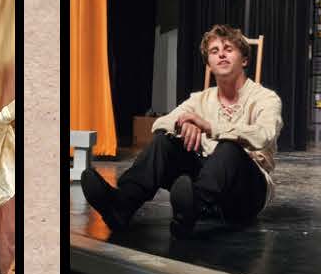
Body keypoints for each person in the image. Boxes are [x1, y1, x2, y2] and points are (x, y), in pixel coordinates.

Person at [80, 23, 282, 246]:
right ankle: (122, 206)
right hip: (205, 186)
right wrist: (183, 124)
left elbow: (265, 134)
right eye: (214, 51)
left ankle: (192, 208)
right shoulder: (200, 99)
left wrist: (209, 127)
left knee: (229, 148)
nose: (221, 55)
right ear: (209, 64)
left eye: (228, 49)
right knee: (163, 141)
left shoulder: (265, 98)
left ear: (244, 60)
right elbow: (160, 123)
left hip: (245, 193)